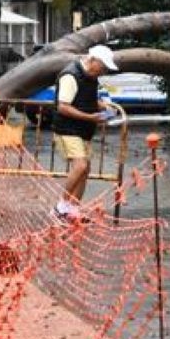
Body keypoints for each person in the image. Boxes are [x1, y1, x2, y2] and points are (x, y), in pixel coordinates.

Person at [50, 44, 123, 223]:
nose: (104, 71)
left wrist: (102, 105)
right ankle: (60, 207)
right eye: (103, 66)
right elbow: (63, 106)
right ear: (92, 60)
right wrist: (90, 117)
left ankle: (73, 209)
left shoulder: (91, 76)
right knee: (80, 166)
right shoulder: (70, 75)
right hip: (67, 128)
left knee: (85, 169)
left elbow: (86, 98)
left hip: (83, 130)